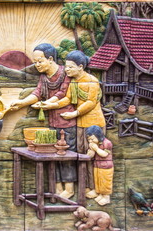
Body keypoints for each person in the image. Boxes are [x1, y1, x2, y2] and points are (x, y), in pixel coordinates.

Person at [10, 43, 77, 199]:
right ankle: (58, 187)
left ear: (51, 59)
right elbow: (38, 92)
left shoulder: (65, 73)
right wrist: (21, 103)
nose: (37, 65)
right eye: (35, 62)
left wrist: (48, 103)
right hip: (53, 122)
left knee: (66, 156)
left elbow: (62, 93)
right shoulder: (44, 77)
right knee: (54, 156)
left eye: (40, 61)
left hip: (67, 122)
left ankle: (70, 188)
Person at [42, 50, 106, 197]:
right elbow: (68, 99)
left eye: (71, 67)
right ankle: (84, 187)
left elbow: (90, 102)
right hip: (80, 125)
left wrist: (74, 113)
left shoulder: (92, 81)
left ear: (81, 67)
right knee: (81, 156)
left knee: (94, 155)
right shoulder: (73, 81)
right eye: (66, 66)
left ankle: (96, 188)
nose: (67, 69)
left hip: (94, 124)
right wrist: (53, 106)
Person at [86, 125, 113, 206]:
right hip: (97, 165)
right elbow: (90, 155)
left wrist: (96, 149)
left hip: (106, 166)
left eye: (92, 138)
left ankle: (106, 196)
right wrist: (91, 151)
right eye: (89, 139)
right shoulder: (95, 143)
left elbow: (104, 154)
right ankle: (100, 193)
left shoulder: (107, 143)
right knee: (98, 180)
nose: (91, 140)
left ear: (98, 135)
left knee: (105, 181)